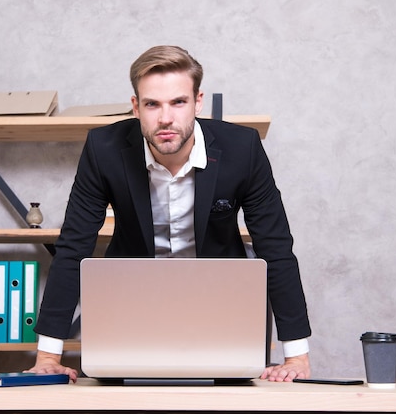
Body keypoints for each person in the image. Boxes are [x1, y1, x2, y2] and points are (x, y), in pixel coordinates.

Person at [26, 45, 311, 383]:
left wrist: (296, 357)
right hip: (130, 314)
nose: (165, 118)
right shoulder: (103, 150)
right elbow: (73, 247)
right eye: (152, 104)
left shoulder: (243, 149)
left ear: (198, 102)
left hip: (221, 316)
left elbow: (275, 249)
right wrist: (47, 357)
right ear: (136, 107)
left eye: (178, 102)